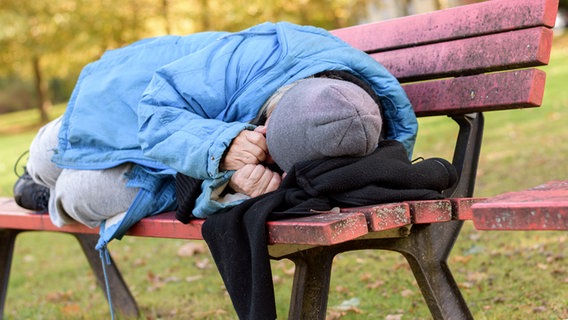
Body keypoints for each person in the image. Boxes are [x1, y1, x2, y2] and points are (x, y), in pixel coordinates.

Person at [14, 21, 417, 249]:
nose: (263, 151)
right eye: (265, 135)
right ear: (276, 101)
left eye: (274, 158)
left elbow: (293, 194)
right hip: (135, 101)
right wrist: (222, 146)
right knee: (47, 154)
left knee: (76, 192)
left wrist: (234, 185)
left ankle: (47, 199)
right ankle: (33, 179)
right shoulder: (259, 60)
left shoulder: (365, 135)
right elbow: (155, 108)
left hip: (172, 169)